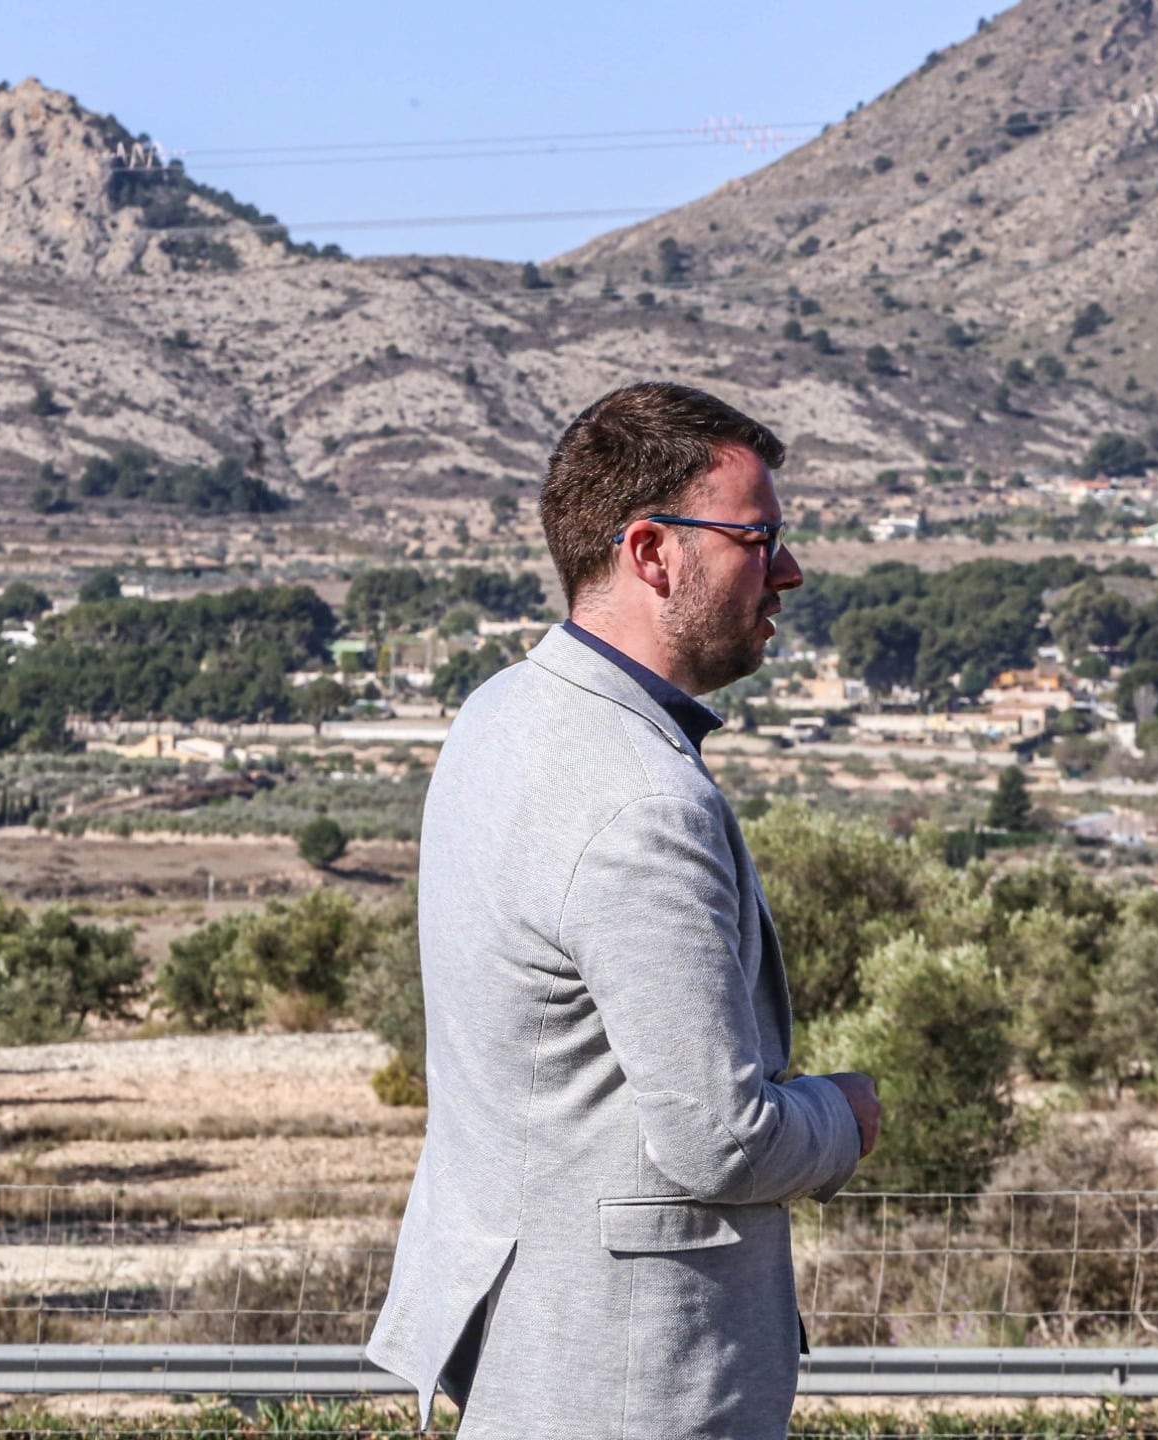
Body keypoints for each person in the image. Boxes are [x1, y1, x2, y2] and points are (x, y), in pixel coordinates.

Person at [369, 382, 882, 1439]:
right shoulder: (643, 799)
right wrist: (844, 1118)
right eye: (759, 538)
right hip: (637, 1376)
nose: (787, 570)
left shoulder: (499, 715)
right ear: (654, 553)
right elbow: (720, 1141)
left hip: (525, 1340)